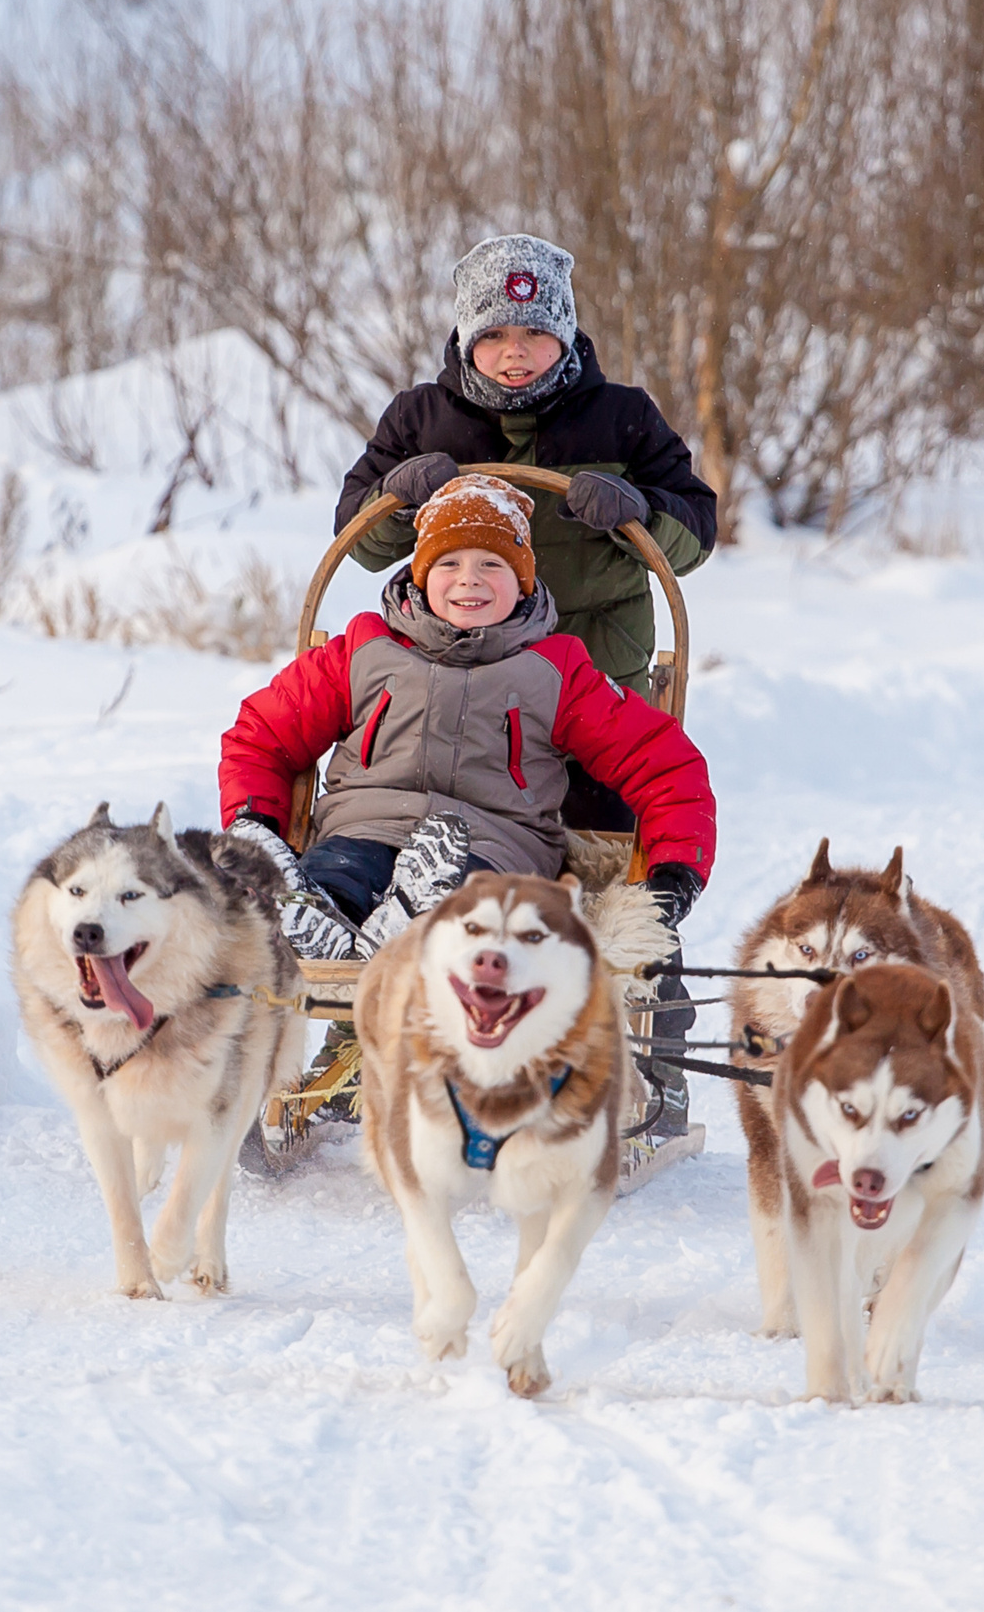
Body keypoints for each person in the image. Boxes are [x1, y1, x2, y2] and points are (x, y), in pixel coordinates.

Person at [329, 233, 716, 1132]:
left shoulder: (621, 418)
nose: (514, 353)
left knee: (615, 873)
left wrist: (643, 509)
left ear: (566, 338)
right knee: (391, 839)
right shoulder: (422, 417)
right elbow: (354, 531)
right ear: (467, 339)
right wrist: (400, 491)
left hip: (588, 688)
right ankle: (356, 1030)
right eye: (496, 335)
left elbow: (694, 530)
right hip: (452, 689)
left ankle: (650, 1054)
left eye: (534, 337)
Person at [219, 473, 712, 970]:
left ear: (521, 581)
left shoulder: (555, 671)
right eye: (448, 563)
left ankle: (417, 924)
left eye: (491, 564)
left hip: (493, 848)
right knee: (339, 878)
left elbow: (662, 762)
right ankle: (317, 916)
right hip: (361, 830)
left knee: (470, 908)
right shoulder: (365, 652)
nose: (468, 579)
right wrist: (255, 817)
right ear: (421, 575)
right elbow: (262, 734)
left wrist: (675, 872)